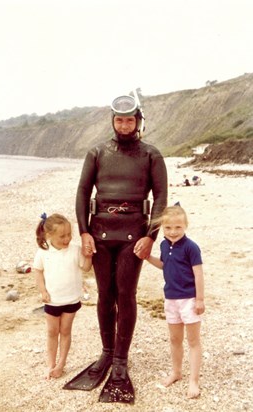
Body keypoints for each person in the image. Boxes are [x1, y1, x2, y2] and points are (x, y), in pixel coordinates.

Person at [64, 93, 167, 403]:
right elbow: (83, 192)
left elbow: (161, 197)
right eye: (119, 119)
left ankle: (121, 362)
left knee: (126, 294)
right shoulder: (97, 152)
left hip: (133, 234)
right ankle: (107, 353)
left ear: (138, 122)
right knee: (104, 294)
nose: (124, 124)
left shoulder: (151, 155)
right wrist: (84, 232)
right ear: (112, 121)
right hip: (100, 231)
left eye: (130, 119)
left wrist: (151, 236)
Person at [146, 206, 205, 399]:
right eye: (168, 227)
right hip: (170, 299)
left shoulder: (191, 247)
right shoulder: (164, 245)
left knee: (193, 341)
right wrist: (147, 257)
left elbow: (198, 274)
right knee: (174, 339)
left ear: (185, 226)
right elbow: (164, 265)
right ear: (163, 227)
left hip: (189, 299)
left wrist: (200, 299)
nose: (173, 232)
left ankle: (194, 380)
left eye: (178, 227)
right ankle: (176, 372)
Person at [33, 213, 92, 380]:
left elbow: (86, 268)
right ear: (49, 235)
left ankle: (61, 364)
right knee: (52, 332)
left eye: (69, 235)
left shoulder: (74, 250)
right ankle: (50, 365)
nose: (67, 239)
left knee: (65, 331)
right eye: (62, 236)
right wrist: (42, 291)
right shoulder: (43, 252)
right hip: (52, 300)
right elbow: (37, 271)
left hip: (72, 299)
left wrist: (88, 255)